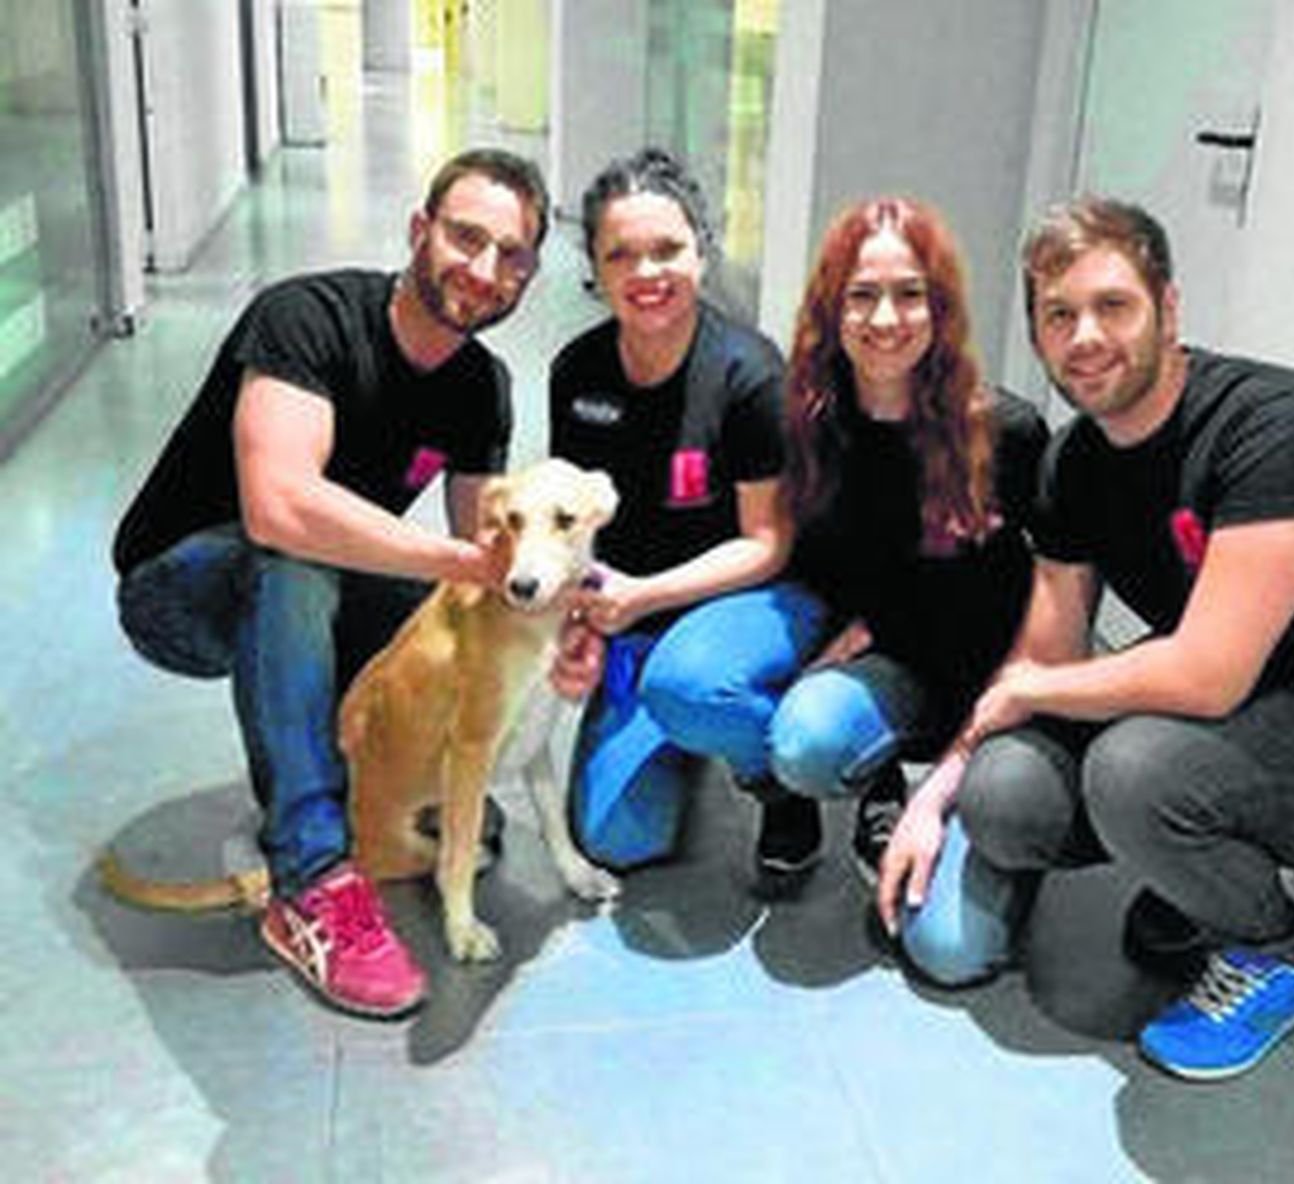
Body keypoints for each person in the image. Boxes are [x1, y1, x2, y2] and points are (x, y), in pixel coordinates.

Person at [877, 197, 1294, 1081]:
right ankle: (1197, 874)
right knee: (1003, 791)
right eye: (1058, 315)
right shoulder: (1073, 463)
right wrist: (941, 785)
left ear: (1170, 309)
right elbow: (1048, 648)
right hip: (1229, 722)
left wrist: (1034, 694)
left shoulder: (1277, 426)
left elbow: (1207, 677)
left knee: (1134, 771)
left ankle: (1274, 954)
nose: (1085, 337)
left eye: (1113, 306)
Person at [112, 147, 550, 1019]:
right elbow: (278, 508)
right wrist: (461, 564)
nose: (485, 269)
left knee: (431, 609)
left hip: (317, 582)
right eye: (467, 238)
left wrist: (558, 606)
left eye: (514, 256)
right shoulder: (307, 318)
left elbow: (479, 564)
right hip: (182, 587)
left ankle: (380, 789)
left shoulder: (482, 386)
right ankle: (309, 877)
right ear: (420, 231)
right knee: (297, 554)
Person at [547, 147, 832, 894]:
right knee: (619, 839)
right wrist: (580, 624)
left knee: (694, 686)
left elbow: (768, 544)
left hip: (754, 599)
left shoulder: (749, 375)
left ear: (701, 252)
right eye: (622, 255)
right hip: (639, 618)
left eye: (667, 249)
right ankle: (691, 716)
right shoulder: (576, 375)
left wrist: (641, 596)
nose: (647, 274)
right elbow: (571, 530)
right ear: (597, 269)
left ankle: (777, 781)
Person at [763, 196, 1046, 883]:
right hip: (888, 672)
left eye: (910, 295)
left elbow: (1057, 592)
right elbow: (810, 560)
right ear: (832, 308)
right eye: (862, 296)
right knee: (806, 738)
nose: (885, 320)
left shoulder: (1008, 430)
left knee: (950, 948)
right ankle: (874, 777)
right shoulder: (808, 423)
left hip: (992, 687)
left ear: (941, 306)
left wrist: (997, 727)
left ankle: (981, 802)